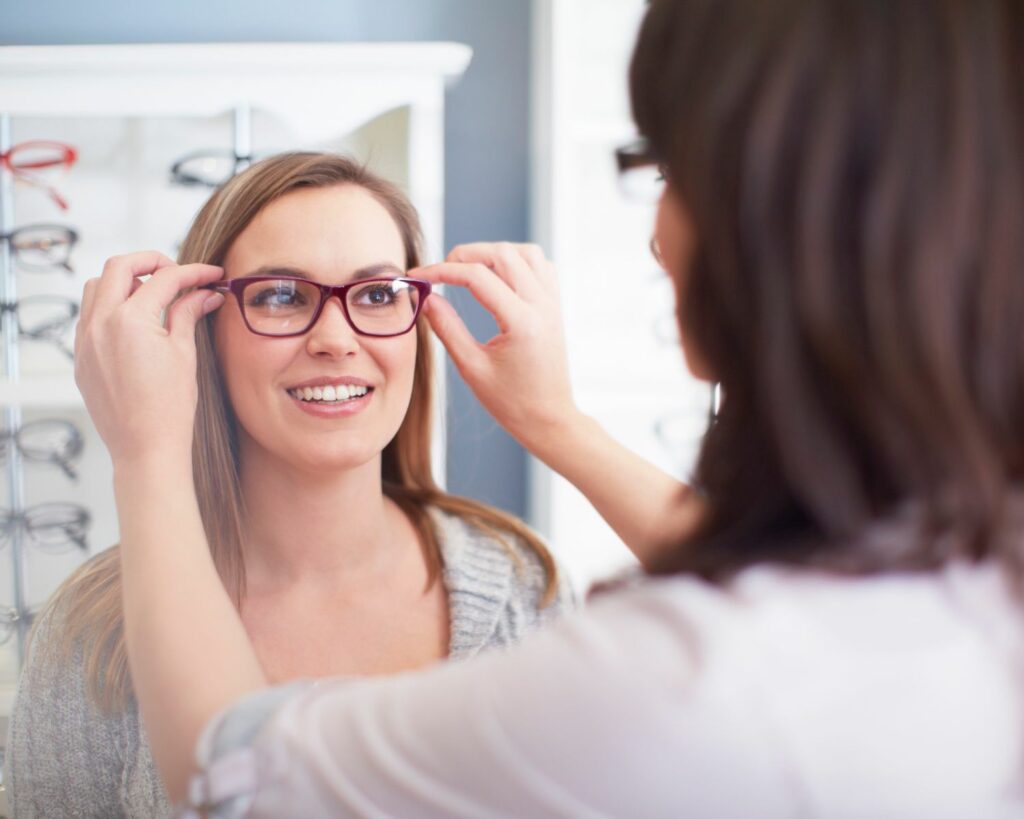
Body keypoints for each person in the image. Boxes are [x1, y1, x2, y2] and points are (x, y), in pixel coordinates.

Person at [74, 0, 1024, 815]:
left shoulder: (594, 635)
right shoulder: (974, 579)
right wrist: (556, 420)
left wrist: (144, 457)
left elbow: (227, 770)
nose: (655, 236)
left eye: (669, 171)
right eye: (281, 295)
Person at [5, 154, 580, 818]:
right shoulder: (93, 633)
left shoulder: (525, 588)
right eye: (281, 294)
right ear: (203, 333)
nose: (336, 339)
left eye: (376, 294)